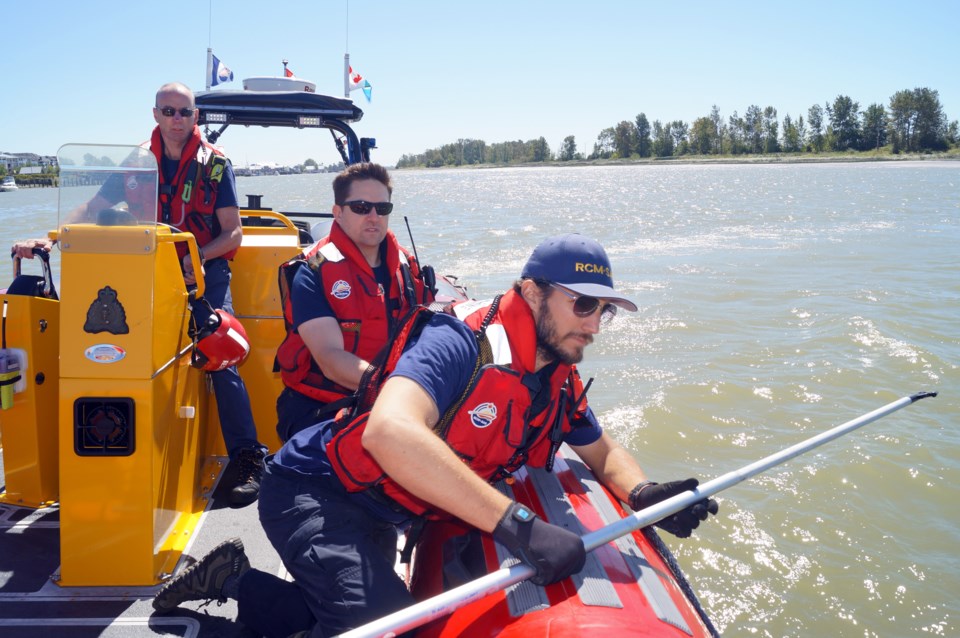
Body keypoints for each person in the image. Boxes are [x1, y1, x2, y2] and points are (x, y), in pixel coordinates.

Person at [152, 234, 719, 637]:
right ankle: (236, 588)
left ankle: (234, 576)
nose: (595, 324)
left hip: (389, 510)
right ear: (532, 291)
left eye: (606, 312)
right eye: (584, 304)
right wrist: (519, 526)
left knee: (359, 610)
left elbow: (603, 452)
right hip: (317, 492)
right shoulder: (459, 345)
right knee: (386, 630)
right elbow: (389, 431)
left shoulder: (555, 377)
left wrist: (644, 496)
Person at [12, 82, 266, 506]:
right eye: (168, 111)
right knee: (105, 344)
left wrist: (192, 257)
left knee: (219, 348)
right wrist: (50, 238)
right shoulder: (135, 162)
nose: (176, 120)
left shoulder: (216, 165)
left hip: (203, 272)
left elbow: (233, 232)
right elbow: (91, 209)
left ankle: (247, 456)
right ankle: (106, 450)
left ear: (195, 117)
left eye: (184, 112)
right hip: (143, 271)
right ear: (155, 115)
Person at [274, 162, 433, 443]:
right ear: (338, 212)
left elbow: (428, 333)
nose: (373, 216)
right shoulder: (311, 272)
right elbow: (330, 359)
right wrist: (400, 389)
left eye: (382, 209)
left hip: (392, 401)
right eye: (361, 207)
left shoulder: (407, 268)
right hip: (322, 408)